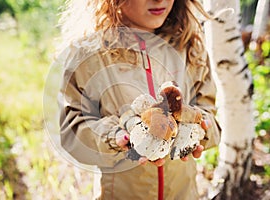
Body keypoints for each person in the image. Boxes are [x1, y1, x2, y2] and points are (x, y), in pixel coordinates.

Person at [58, 0, 221, 199]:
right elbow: (72, 132)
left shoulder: (189, 45)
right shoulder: (89, 56)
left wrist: (197, 129)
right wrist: (116, 137)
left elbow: (208, 113)